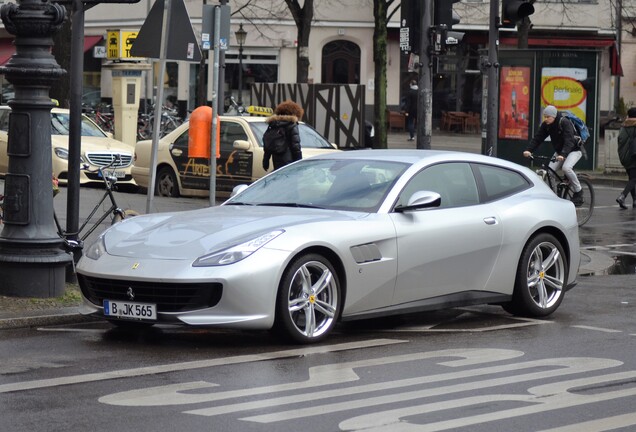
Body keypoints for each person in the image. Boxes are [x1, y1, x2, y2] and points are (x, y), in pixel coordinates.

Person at [523, 105, 584, 206]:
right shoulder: (546, 125)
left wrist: (563, 155)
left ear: (554, 116)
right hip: (560, 151)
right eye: (545, 117)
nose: (546, 119)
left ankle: (578, 191)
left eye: (548, 117)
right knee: (550, 172)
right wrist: (529, 150)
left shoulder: (564, 122)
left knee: (566, 168)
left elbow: (569, 141)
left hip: (574, 150)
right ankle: (554, 196)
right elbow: (538, 138)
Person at [262, 100, 303, 171]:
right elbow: (296, 146)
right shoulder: (292, 125)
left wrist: (266, 161)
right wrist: (299, 162)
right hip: (289, 161)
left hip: (276, 159)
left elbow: (268, 145)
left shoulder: (273, 125)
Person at [616, 107, 636, 209]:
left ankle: (634, 201)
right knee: (634, 178)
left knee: (631, 178)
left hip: (624, 156)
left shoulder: (623, 126)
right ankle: (622, 196)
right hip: (634, 156)